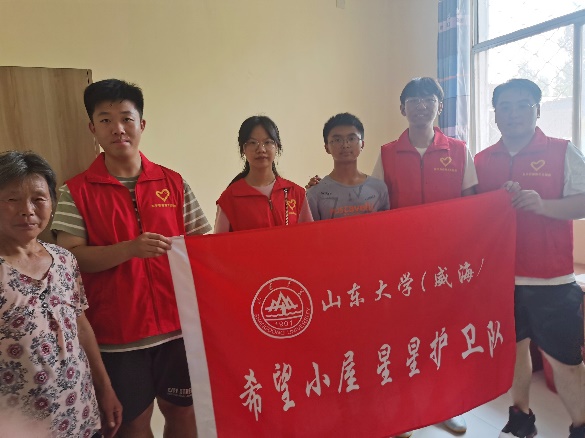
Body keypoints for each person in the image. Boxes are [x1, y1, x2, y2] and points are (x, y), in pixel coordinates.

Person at [307, 78, 476, 437]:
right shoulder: (386, 154)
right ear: (402, 108)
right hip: (401, 267)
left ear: (440, 106)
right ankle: (406, 407)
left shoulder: (460, 151)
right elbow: (374, 214)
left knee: (445, 330)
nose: (421, 106)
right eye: (413, 100)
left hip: (446, 262)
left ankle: (447, 404)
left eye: (428, 99)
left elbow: (474, 204)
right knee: (404, 338)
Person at [51, 79, 212, 437]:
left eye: (126, 118)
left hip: (179, 328)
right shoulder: (75, 191)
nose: (118, 128)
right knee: (132, 425)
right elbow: (71, 260)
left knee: (184, 414)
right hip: (117, 336)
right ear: (93, 128)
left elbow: (203, 247)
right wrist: (129, 249)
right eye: (106, 120)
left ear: (142, 124)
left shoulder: (173, 183)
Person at [474, 78, 585, 438]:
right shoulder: (481, 160)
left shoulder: (562, 151)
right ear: (495, 115)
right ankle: (521, 418)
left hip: (551, 280)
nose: (513, 113)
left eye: (523, 105)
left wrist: (542, 205)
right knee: (513, 352)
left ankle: (580, 426)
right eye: (504, 107)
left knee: (565, 361)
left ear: (538, 110)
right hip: (500, 279)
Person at [0, 151, 122, 438]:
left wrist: (105, 388)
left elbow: (81, 325)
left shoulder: (64, 259)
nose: (27, 210)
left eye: (38, 199)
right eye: (12, 199)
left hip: (80, 413)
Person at [214, 115, 313, 232]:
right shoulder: (229, 198)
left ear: (277, 147)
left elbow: (310, 237)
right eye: (252, 142)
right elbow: (220, 242)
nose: (261, 149)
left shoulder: (295, 193)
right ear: (243, 149)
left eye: (268, 142)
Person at [306, 112, 389, 220]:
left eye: (352, 138)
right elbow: (311, 229)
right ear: (327, 147)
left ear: (362, 144)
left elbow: (385, 226)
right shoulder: (315, 193)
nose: (345, 145)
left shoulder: (379, 188)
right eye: (337, 140)